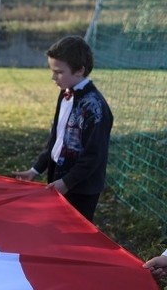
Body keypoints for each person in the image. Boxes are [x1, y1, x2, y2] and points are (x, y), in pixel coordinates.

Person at [13, 35, 114, 222]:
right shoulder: (65, 93)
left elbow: (94, 155)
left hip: (80, 188)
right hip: (58, 178)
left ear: (79, 71)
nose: (53, 77)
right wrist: (36, 169)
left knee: (74, 234)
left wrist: (67, 183)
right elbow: (57, 137)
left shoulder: (95, 107)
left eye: (59, 72)